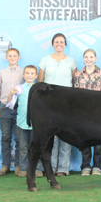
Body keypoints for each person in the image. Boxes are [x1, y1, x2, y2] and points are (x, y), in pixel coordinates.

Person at [38, 33, 77, 177]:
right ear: (53, 44)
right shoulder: (45, 60)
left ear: (65, 44)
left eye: (61, 42)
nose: (59, 44)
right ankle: (50, 168)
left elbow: (75, 84)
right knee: (50, 137)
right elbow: (40, 84)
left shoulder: (72, 62)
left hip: (67, 104)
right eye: (56, 41)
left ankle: (63, 169)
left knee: (66, 136)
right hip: (49, 105)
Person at [74, 49, 101, 176]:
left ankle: (98, 166)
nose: (89, 59)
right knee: (85, 140)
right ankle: (86, 166)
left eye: (91, 57)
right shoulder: (78, 75)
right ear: (83, 59)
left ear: (95, 59)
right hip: (83, 112)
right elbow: (75, 95)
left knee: (99, 140)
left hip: (98, 112)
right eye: (86, 57)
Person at [7, 65, 43, 178]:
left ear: (36, 76)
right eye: (27, 73)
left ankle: (38, 169)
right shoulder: (19, 88)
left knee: (37, 147)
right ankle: (23, 169)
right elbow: (10, 105)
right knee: (23, 147)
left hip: (37, 124)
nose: (29, 75)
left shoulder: (40, 89)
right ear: (23, 75)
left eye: (32, 73)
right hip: (22, 123)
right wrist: (10, 94)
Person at [0, 48, 24, 176]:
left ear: (19, 57)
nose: (12, 58)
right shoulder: (1, 72)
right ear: (6, 58)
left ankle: (18, 165)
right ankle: (5, 165)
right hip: (5, 108)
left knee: (19, 138)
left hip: (20, 108)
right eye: (9, 56)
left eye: (14, 56)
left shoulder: (23, 72)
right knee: (5, 138)